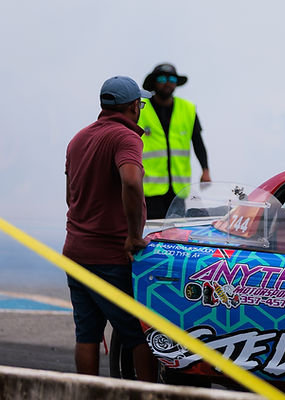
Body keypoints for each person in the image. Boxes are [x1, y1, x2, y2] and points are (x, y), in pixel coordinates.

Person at [64, 76, 158, 381]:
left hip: (76, 251)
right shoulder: (126, 137)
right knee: (137, 332)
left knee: (87, 334)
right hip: (110, 256)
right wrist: (133, 236)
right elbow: (131, 181)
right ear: (133, 106)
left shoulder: (78, 138)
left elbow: (71, 194)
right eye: (140, 104)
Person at [139, 63, 211, 219]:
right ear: (154, 82)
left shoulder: (188, 109)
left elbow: (198, 142)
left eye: (172, 78)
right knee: (152, 232)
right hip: (148, 188)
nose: (168, 82)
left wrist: (205, 169)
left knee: (174, 233)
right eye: (162, 78)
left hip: (178, 189)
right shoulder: (140, 109)